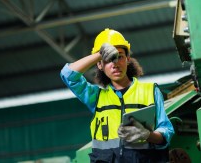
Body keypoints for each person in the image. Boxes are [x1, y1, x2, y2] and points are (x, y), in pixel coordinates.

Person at [60, 28, 175, 162]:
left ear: (127, 59)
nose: (115, 63)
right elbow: (68, 75)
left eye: (119, 56)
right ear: (100, 65)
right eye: (108, 59)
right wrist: (99, 54)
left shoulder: (150, 91)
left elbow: (166, 131)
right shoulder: (95, 97)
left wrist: (147, 135)